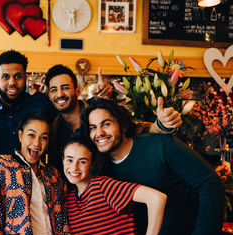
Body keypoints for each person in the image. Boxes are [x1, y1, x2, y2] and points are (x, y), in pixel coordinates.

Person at [80, 99, 225, 235]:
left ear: (122, 124)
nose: (99, 132)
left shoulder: (160, 145)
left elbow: (211, 185)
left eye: (106, 124)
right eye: (93, 128)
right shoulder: (104, 172)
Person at [0, 112, 75, 235]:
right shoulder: (1, 168)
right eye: (31, 135)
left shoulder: (53, 175)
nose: (37, 143)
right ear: (20, 135)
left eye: (44, 137)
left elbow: (63, 217)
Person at [45, 64, 182, 169]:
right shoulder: (53, 126)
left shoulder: (97, 110)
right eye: (54, 90)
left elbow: (136, 129)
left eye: (65, 87)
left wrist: (162, 124)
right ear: (49, 96)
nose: (60, 94)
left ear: (78, 91)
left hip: (113, 188)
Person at [62, 137, 166, 235]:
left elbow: (157, 198)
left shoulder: (101, 186)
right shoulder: (69, 200)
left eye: (82, 161)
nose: (74, 167)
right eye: (69, 160)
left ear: (92, 164)